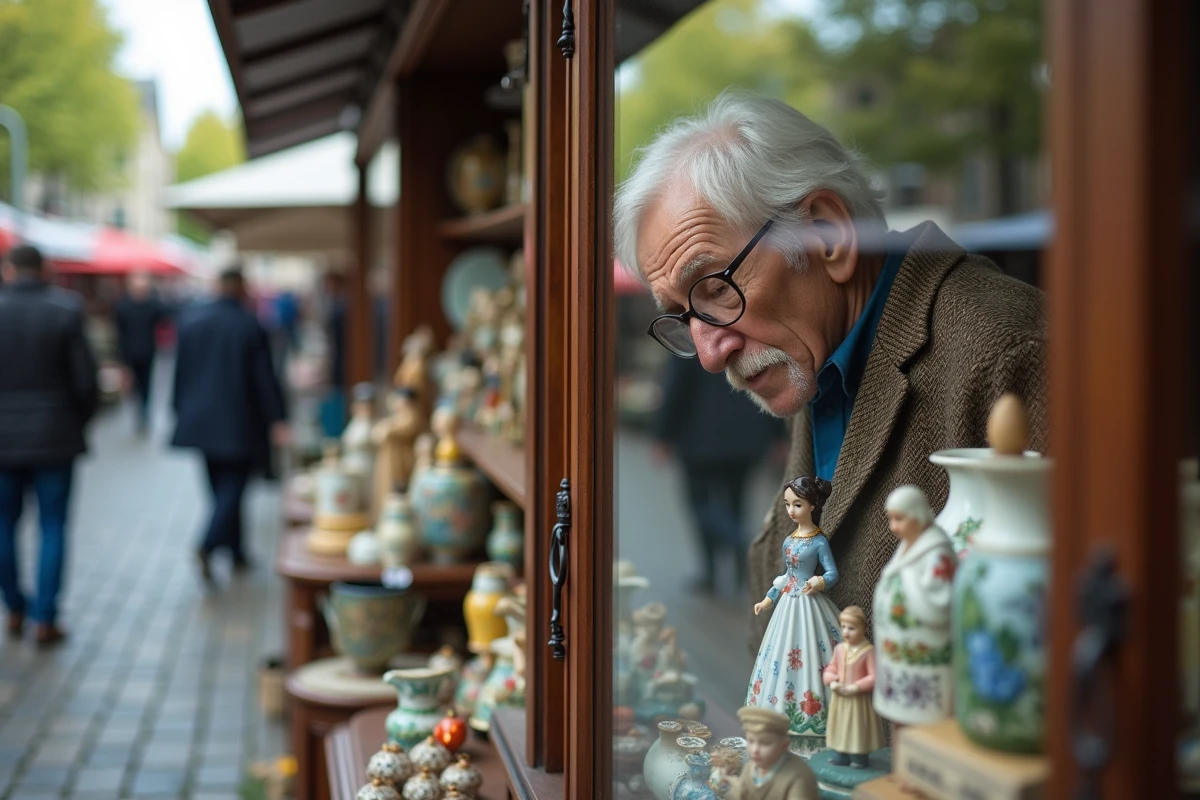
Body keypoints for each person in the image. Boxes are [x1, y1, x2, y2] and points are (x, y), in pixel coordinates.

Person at [613, 91, 1047, 643]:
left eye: (716, 288)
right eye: (681, 316)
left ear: (828, 236)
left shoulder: (1010, 352)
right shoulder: (820, 349)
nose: (708, 355)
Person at [0, 245, 99, 645]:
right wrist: (74, 422)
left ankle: (14, 606)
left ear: (9, 270)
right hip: (55, 436)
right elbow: (86, 382)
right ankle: (45, 616)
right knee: (53, 525)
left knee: (3, 525)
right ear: (44, 270)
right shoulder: (66, 309)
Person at [171, 267, 288, 584]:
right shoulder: (249, 324)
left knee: (219, 488)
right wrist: (277, 418)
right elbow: (265, 378)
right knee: (233, 488)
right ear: (241, 288)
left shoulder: (192, 322)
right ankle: (208, 544)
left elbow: (180, 373)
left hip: (201, 420)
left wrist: (179, 411)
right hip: (238, 420)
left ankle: (236, 551)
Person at [651, 356, 785, 594]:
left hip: (699, 438)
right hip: (745, 437)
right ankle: (736, 569)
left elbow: (676, 387)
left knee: (700, 504)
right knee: (736, 504)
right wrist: (778, 434)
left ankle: (719, 564)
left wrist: (663, 435)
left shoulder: (691, 341)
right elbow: (767, 383)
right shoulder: (746, 336)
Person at [748, 476, 841, 748]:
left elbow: (832, 573)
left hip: (809, 602)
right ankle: (780, 710)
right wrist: (767, 599)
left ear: (812, 506)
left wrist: (819, 581)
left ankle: (813, 713)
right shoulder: (788, 540)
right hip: (788, 603)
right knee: (782, 652)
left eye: (797, 504)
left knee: (810, 651)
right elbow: (786, 576)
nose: (791, 510)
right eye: (788, 504)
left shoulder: (819, 541)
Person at [821, 605, 885, 767]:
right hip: (840, 698)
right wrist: (832, 681)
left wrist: (857, 687)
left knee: (857, 728)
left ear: (863, 628)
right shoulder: (839, 649)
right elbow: (831, 668)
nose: (845, 632)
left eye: (851, 628)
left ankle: (858, 757)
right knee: (841, 725)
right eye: (843, 627)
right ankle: (841, 754)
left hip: (858, 701)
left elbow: (875, 676)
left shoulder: (868, 651)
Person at [114, 272, 169, 433]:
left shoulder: (152, 304)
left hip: (148, 351)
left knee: (146, 384)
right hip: (129, 352)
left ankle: (144, 413)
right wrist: (121, 358)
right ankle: (139, 411)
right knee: (133, 386)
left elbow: (166, 315)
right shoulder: (123, 306)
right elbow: (119, 332)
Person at [729, 706, 819, 800]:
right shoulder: (751, 767)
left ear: (784, 745)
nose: (755, 750)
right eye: (751, 741)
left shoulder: (798, 777)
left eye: (765, 743)